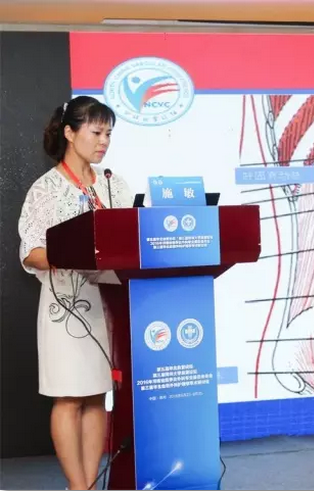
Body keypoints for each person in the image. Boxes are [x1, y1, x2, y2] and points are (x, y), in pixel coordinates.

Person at [18, 96, 133, 490]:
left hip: (109, 307)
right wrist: (76, 254)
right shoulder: (46, 189)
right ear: (69, 132)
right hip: (65, 309)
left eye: (109, 134)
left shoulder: (114, 183)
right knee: (68, 396)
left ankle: (87, 486)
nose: (104, 141)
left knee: (97, 394)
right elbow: (31, 253)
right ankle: (77, 486)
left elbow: (130, 236)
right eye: (96, 132)